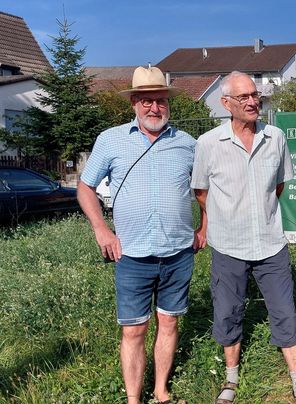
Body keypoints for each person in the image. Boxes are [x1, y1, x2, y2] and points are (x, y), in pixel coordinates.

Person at [77, 65, 204, 404]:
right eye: (146, 101)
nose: (154, 108)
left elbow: (207, 189)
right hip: (131, 254)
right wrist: (102, 230)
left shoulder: (188, 144)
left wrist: (203, 227)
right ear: (133, 102)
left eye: (160, 101)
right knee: (134, 330)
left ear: (168, 104)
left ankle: (161, 391)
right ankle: (134, 399)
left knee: (169, 324)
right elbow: (85, 187)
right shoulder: (111, 139)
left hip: (178, 253)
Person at [190, 71, 296, 404]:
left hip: (270, 243)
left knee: (285, 311)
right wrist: (227, 214)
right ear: (225, 103)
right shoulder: (208, 144)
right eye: (243, 97)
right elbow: (201, 191)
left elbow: (279, 186)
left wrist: (258, 208)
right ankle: (230, 380)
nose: (252, 101)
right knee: (228, 310)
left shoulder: (275, 137)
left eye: (254, 95)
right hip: (228, 245)